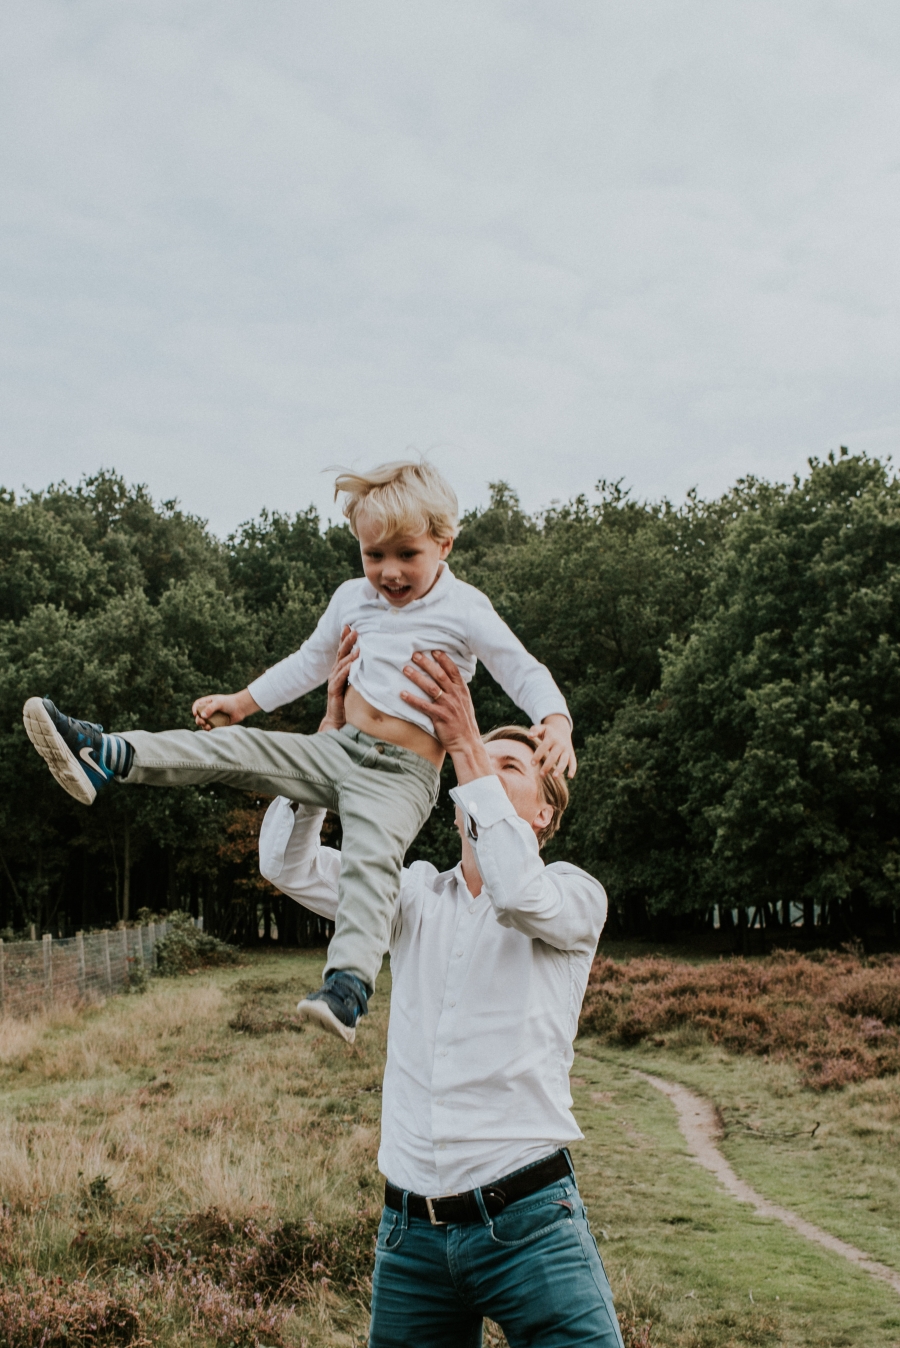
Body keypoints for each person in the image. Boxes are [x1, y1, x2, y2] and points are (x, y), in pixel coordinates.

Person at [22, 460, 575, 1043]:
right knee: (237, 750)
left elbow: (521, 668)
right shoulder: (351, 599)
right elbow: (310, 663)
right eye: (372, 555)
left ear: (445, 543)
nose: (387, 573)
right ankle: (109, 755)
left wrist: (556, 719)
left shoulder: (465, 608)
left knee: (370, 864)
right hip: (340, 747)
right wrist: (242, 702)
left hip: (403, 776)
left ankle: (347, 988)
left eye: (406, 555)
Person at [259, 640, 625, 1348]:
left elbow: (516, 889)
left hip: (530, 1224)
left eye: (505, 767)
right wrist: (330, 736)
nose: (479, 774)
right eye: (475, 767)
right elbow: (286, 862)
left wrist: (465, 740)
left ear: (545, 814)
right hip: (411, 1240)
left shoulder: (575, 896)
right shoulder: (414, 895)